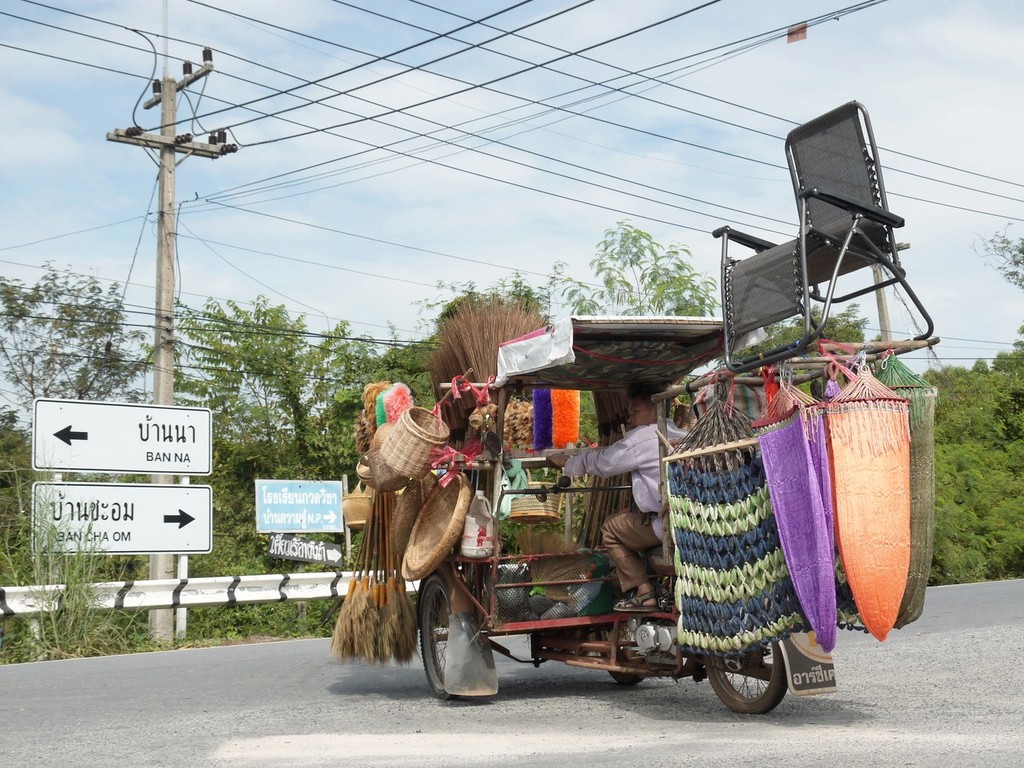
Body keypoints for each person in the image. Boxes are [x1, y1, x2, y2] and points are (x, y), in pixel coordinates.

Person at [549, 385, 686, 612]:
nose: (629, 416)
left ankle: (645, 593)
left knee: (611, 528)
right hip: (689, 518)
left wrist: (568, 462)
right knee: (631, 519)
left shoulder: (643, 437)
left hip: (667, 523)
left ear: (656, 411)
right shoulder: (682, 434)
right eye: (629, 412)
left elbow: (605, 462)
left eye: (636, 411)